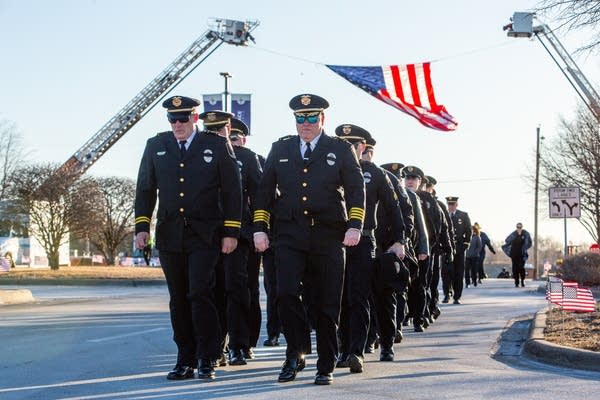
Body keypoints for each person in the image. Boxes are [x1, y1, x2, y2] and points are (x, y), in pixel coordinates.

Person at [253, 94, 365, 386]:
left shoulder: (339, 149)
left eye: (311, 117)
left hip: (328, 235)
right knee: (286, 293)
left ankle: (325, 363)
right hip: (289, 233)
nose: (305, 123)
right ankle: (296, 351)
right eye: (300, 118)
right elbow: (265, 191)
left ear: (322, 119)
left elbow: (355, 190)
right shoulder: (281, 148)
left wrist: (355, 225)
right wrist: (259, 227)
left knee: (326, 302)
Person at [134, 96, 242, 380]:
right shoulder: (156, 146)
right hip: (170, 235)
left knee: (200, 293)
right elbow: (145, 189)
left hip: (205, 234)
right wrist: (142, 227)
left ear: (195, 118)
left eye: (183, 119)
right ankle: (185, 358)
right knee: (178, 298)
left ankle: (207, 356)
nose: (178, 125)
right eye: (173, 119)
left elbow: (233, 191)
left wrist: (231, 231)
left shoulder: (216, 145)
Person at [334, 124, 405, 373]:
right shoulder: (332, 167)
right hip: (335, 243)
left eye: (352, 145)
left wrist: (399, 240)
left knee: (359, 296)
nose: (348, 149)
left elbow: (395, 209)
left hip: (364, 241)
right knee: (339, 298)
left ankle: (356, 351)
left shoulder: (375, 174)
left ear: (362, 147)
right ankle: (342, 349)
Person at [197, 111, 255, 367]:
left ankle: (239, 345)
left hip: (236, 235)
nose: (220, 136)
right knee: (210, 291)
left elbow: (259, 195)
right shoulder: (195, 155)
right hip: (205, 235)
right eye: (211, 130)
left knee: (235, 290)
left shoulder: (246, 158)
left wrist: (258, 229)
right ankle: (215, 346)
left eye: (224, 131)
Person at [445, 196, 471, 304]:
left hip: (459, 249)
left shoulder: (463, 215)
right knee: (446, 273)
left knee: (458, 273)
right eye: (449, 204)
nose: (450, 206)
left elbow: (469, 231)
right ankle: (447, 294)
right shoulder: (444, 214)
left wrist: (465, 244)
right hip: (447, 248)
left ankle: (457, 296)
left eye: (452, 204)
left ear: (456, 205)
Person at [502, 223, 532, 287]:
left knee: (521, 267)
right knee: (515, 268)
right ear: (516, 227)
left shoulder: (526, 234)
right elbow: (507, 240)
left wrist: (525, 248)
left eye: (520, 227)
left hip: (522, 254)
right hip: (514, 253)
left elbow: (530, 243)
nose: (519, 228)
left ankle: (522, 280)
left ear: (522, 227)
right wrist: (513, 239)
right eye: (518, 227)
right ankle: (516, 282)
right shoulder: (513, 234)